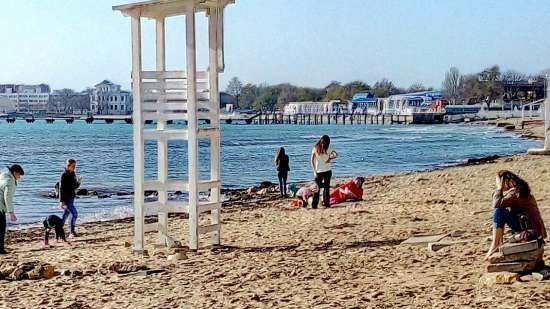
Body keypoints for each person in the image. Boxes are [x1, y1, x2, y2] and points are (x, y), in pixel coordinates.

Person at [485, 170, 547, 260]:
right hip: (535, 229)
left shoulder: (515, 193)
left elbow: (496, 204)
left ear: (505, 181)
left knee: (499, 211)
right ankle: (498, 242)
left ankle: (495, 244)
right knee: (503, 210)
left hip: (530, 230)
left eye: (498, 182)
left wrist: (499, 188)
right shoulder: (521, 189)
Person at [0, 164, 24, 254]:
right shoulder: (10, 181)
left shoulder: (3, 175)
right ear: (15, 172)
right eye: (19, 175)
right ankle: (1, 250)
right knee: (1, 229)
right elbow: (7, 197)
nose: (19, 177)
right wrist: (11, 213)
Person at [310, 135, 338, 208]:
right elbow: (336, 154)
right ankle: (326, 204)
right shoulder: (326, 148)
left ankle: (315, 205)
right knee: (325, 188)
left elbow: (311, 161)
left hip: (321, 171)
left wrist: (314, 171)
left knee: (319, 189)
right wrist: (330, 159)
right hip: (325, 171)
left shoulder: (316, 148)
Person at [59, 159, 81, 237]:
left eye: (75, 166)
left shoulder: (73, 174)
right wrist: (61, 201)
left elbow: (75, 186)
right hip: (66, 199)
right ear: (68, 166)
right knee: (74, 214)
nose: (74, 168)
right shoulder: (64, 175)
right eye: (73, 166)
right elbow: (61, 189)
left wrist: (78, 182)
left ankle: (59, 229)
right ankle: (72, 231)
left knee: (66, 214)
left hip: (72, 197)